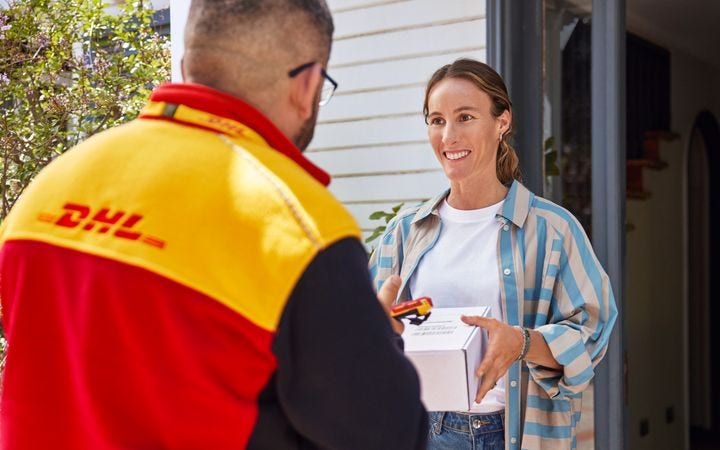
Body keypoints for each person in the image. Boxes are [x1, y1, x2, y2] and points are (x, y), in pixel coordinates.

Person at [0, 1, 427, 448]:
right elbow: (387, 435)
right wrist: (374, 339)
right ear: (307, 85)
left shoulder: (46, 194)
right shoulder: (296, 228)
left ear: (187, 67)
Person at [369, 58, 618, 450]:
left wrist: (522, 343)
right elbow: (361, 334)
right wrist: (378, 325)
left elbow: (593, 333)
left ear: (502, 122)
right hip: (413, 426)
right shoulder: (404, 231)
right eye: (437, 120)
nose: (448, 136)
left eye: (465, 117)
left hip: (502, 433)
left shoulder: (552, 229)